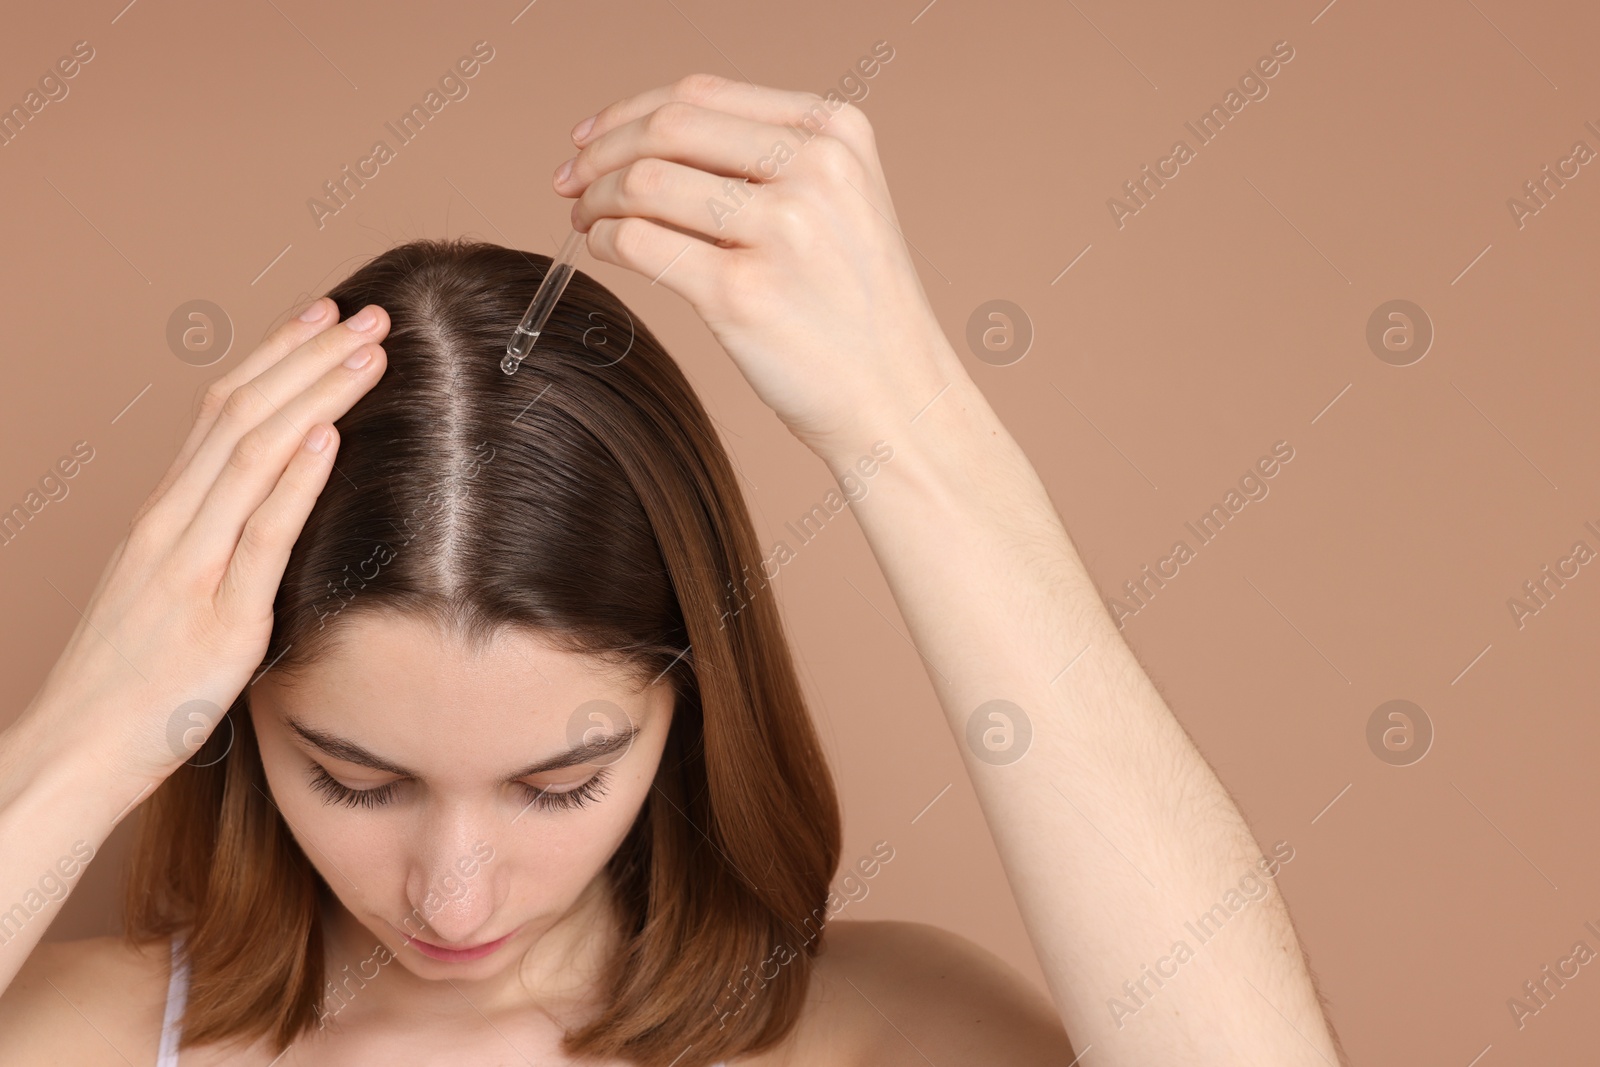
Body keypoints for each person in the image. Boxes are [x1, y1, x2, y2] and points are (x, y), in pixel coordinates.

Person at [0, 74, 1345, 1065]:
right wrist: (91, 731)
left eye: (561, 781)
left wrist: (916, 425)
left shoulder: (876, 1035)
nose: (452, 894)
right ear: (236, 718)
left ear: (689, 710)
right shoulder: (90, 1038)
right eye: (353, 777)